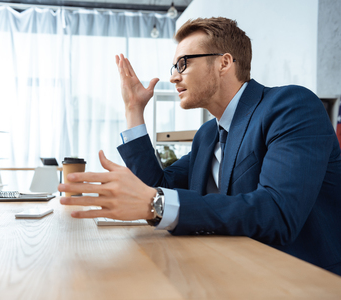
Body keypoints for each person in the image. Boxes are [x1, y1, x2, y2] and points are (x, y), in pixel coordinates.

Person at [59, 17, 341, 275]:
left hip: (299, 278)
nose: (173, 76)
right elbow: (157, 187)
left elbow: (277, 212)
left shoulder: (291, 106)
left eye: (184, 63)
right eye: (174, 67)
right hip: (227, 269)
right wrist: (134, 109)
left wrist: (154, 203)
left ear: (224, 63)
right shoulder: (207, 135)